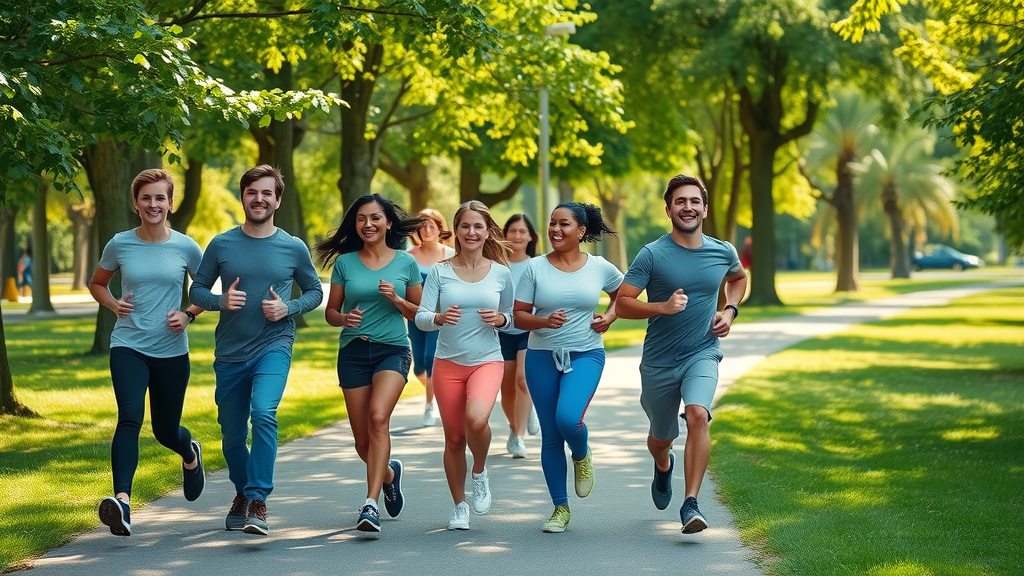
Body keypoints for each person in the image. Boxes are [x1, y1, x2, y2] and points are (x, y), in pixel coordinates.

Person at [189, 165, 324, 537]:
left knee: (264, 413)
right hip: (231, 351)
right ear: (243, 196)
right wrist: (220, 301)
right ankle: (241, 493)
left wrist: (289, 308)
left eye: (267, 193)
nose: (259, 199)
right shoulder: (222, 244)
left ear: (277, 199)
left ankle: (259, 501)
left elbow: (315, 292)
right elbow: (196, 291)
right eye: (252, 192)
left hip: (274, 344)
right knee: (232, 435)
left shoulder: (293, 247)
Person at [615, 174, 747, 535]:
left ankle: (691, 503)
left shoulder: (723, 251)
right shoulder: (652, 254)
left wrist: (729, 310)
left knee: (697, 415)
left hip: (702, 352)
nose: (687, 207)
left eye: (694, 201)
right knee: (661, 438)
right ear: (669, 209)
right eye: (680, 202)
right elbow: (622, 304)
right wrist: (661, 307)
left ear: (704, 208)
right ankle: (662, 465)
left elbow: (738, 278)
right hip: (658, 361)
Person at [88, 169, 206, 537]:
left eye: (160, 198)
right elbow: (97, 283)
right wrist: (112, 304)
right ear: (135, 203)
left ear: (170, 203)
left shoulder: (186, 246)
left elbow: (205, 292)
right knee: (129, 418)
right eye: (146, 198)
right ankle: (122, 502)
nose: (153, 204)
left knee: (166, 430)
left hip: (171, 351)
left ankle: (190, 454)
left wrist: (187, 315)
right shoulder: (120, 244)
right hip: (128, 346)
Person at [315, 194, 423, 534]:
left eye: (375, 217)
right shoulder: (346, 263)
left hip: (393, 350)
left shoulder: (406, 263)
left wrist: (396, 298)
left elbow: (420, 314)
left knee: (379, 420)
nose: (368, 224)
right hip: (354, 353)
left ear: (388, 223)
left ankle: (370, 503)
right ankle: (389, 474)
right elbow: (331, 312)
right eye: (361, 219)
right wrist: (343, 318)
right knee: (363, 442)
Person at [513, 201, 623, 533]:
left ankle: (581, 453)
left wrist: (610, 317)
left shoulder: (600, 267)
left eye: (564, 224)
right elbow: (519, 316)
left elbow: (624, 295)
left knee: (568, 419)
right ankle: (560, 508)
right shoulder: (535, 267)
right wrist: (544, 321)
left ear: (581, 231)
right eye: (551, 223)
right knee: (549, 436)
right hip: (541, 356)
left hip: (585, 354)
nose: (555, 230)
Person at [414, 201, 514, 530]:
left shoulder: (501, 272)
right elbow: (421, 317)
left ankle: (480, 471)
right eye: (465, 226)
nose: (471, 232)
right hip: (448, 364)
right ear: (455, 230)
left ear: (488, 231)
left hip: (486, 360)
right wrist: (439, 318)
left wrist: (500, 318)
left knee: (476, 419)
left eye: (478, 227)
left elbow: (511, 318)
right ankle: (459, 506)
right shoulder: (441, 271)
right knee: (454, 439)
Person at [406, 208, 455, 426]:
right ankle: (437, 389)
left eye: (431, 225)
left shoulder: (450, 255)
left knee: (430, 359)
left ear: (439, 229)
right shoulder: (408, 257)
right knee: (418, 367)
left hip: (440, 318)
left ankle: (428, 406)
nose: (427, 229)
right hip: (415, 317)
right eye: (422, 225)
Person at [499, 214, 541, 458]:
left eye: (522, 231)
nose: (517, 236)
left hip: (529, 329)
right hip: (501, 331)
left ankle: (518, 437)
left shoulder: (537, 264)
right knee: (507, 389)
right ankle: (516, 426)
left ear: (530, 237)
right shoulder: (496, 265)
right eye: (512, 231)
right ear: (505, 235)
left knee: (522, 381)